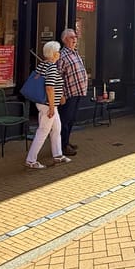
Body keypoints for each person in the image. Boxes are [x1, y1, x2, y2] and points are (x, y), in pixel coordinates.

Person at [24, 41, 72, 169]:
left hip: (47, 104)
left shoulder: (43, 65)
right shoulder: (51, 67)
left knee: (57, 129)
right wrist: (51, 107)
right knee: (43, 131)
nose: (59, 54)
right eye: (58, 52)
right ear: (54, 53)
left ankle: (58, 155)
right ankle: (31, 160)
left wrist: (58, 98)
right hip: (48, 105)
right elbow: (49, 87)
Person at [57, 28, 88, 157]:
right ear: (64, 40)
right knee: (65, 120)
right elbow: (58, 76)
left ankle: (67, 142)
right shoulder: (62, 56)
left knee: (71, 119)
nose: (75, 39)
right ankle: (62, 146)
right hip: (68, 94)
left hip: (77, 92)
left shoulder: (75, 53)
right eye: (71, 37)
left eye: (75, 37)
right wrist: (61, 94)